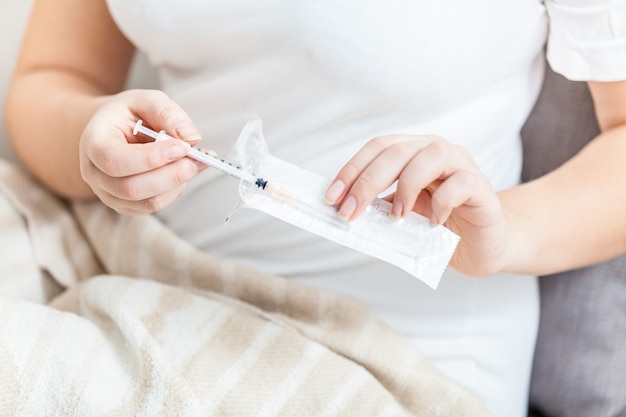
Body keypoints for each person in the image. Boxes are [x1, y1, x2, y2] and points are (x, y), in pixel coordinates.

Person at [5, 1, 626, 415]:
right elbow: (55, 74)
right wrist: (90, 138)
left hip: (390, 349)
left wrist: (507, 230)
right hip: (136, 269)